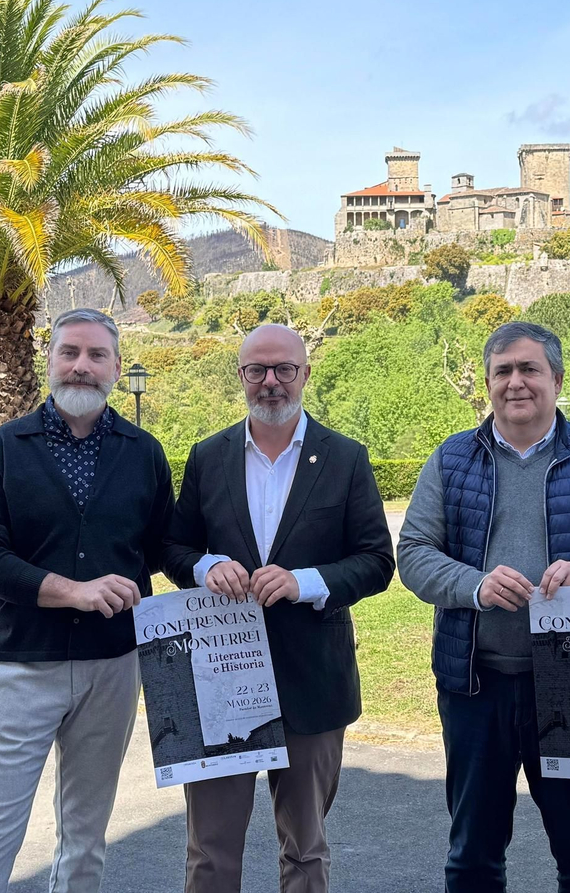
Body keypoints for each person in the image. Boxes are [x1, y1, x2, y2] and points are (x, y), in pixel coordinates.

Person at [397, 321, 570, 893]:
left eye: (529, 369)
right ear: (489, 384)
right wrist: (475, 585)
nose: (516, 382)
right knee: (472, 857)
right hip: (475, 683)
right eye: (503, 371)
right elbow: (413, 553)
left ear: (557, 380)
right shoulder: (451, 459)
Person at [0, 308, 173, 893]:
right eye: (69, 352)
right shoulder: (7, 447)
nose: (82, 366)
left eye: (97, 355)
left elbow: (160, 548)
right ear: (50, 361)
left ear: (117, 369)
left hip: (113, 669)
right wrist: (71, 591)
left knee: (86, 834)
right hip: (21, 666)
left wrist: (217, 570)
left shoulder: (144, 452)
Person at [164, 324, 395, 893]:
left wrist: (305, 581)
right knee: (210, 853)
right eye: (257, 370)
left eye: (283, 369)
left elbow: (375, 561)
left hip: (313, 679)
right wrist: (203, 567)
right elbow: (173, 546)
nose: (271, 382)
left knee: (307, 850)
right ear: (240, 376)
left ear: (305, 374)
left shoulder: (345, 458)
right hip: (220, 678)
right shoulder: (207, 456)